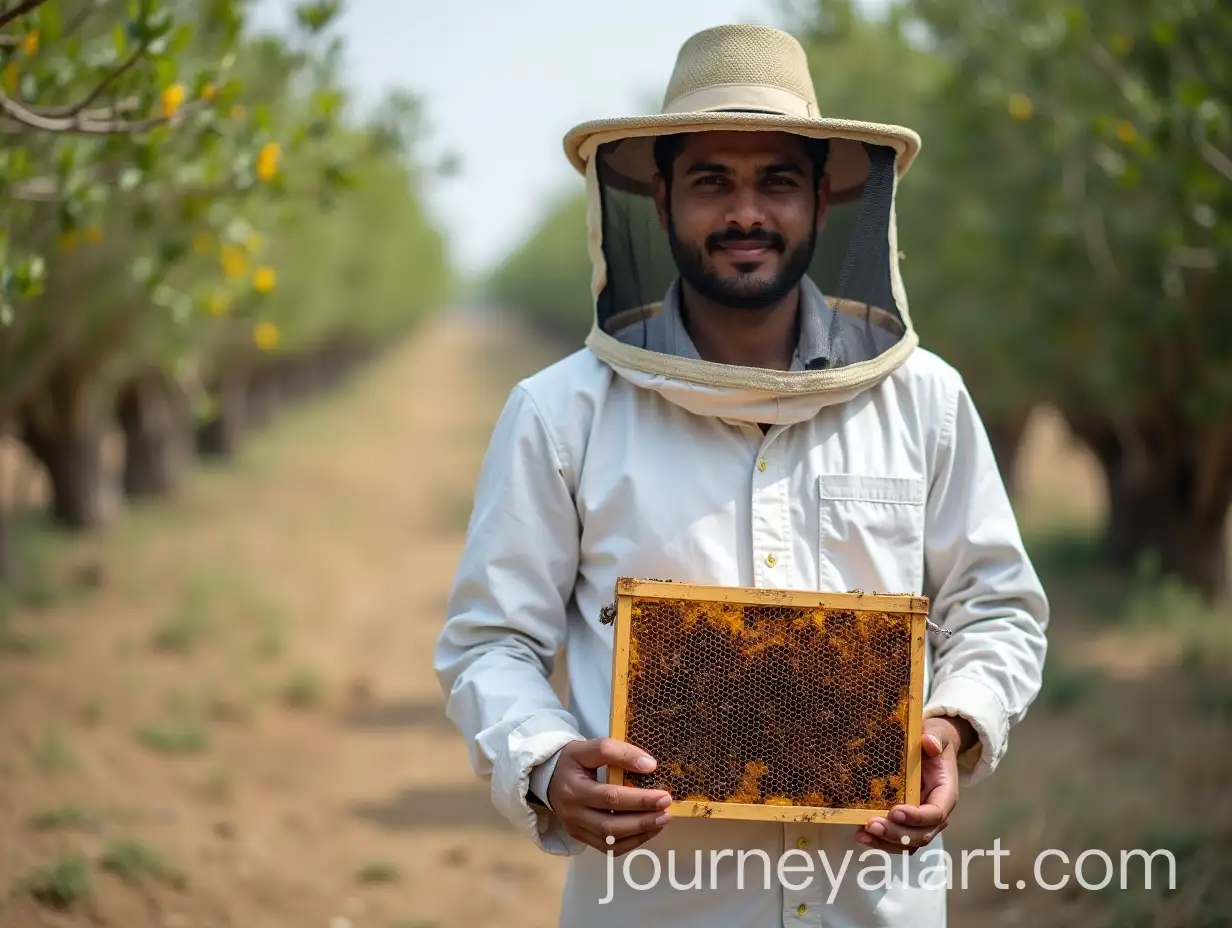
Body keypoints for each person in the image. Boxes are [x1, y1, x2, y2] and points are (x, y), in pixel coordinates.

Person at [435, 22, 1048, 927]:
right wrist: (546, 759)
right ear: (658, 194)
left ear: (828, 199)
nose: (746, 213)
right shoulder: (560, 413)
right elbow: (490, 641)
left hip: (872, 903)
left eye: (777, 182)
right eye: (713, 180)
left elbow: (996, 606)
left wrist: (952, 724)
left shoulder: (925, 400)